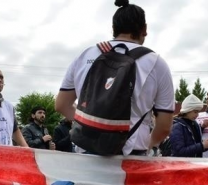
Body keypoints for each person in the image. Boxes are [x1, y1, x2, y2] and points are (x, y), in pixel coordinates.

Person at [55, 0, 174, 159]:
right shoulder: (156, 63)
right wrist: (149, 145)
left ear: (113, 28)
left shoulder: (85, 56)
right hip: (132, 156)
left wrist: (90, 124)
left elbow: (62, 105)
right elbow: (164, 126)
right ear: (144, 29)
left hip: (86, 154)